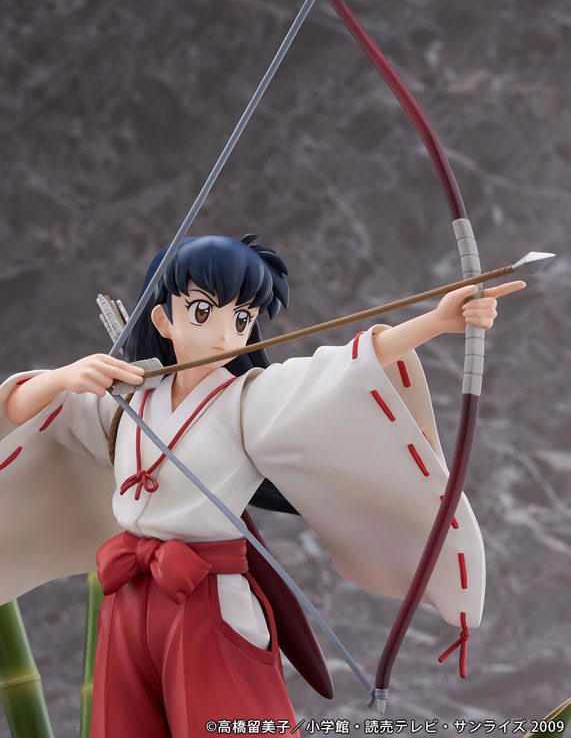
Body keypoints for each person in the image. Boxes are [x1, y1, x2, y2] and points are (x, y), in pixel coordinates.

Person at [0, 234, 525, 737]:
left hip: (206, 597)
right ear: (161, 318)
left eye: (242, 319)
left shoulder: (249, 399)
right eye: (202, 311)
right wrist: (62, 377)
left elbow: (339, 369)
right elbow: (26, 411)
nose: (224, 335)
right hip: (130, 595)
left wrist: (435, 322)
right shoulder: (128, 401)